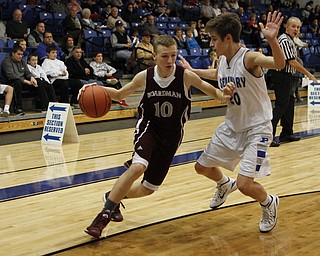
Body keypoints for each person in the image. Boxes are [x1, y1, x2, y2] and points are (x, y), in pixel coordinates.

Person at [82, 34, 235, 238]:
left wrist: (224, 93)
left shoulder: (185, 76)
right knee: (138, 166)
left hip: (171, 136)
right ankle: (103, 217)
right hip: (149, 128)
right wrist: (93, 88)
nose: (170, 61)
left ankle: (113, 197)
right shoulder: (145, 76)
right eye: (165, 56)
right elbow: (119, 95)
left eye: (173, 55)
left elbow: (213, 93)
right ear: (154, 56)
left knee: (148, 189)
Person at [179, 11, 285, 233]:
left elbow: (278, 63)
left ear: (228, 38)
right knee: (202, 167)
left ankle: (269, 202)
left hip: (257, 127)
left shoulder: (249, 58)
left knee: (246, 185)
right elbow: (217, 74)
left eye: (214, 38)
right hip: (232, 125)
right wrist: (191, 71)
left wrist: (273, 40)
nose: (211, 43)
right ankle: (224, 183)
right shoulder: (224, 60)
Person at [270, 16, 317, 147]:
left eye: (298, 27)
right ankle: (268, 136)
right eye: (293, 26)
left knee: (289, 104)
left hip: (289, 75)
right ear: (287, 27)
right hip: (281, 75)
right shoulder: (284, 40)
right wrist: (308, 74)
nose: (296, 29)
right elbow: (291, 61)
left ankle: (287, 132)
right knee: (281, 105)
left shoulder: (291, 40)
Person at [1, 45, 45, 115]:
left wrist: (31, 78)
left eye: (21, 54)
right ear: (13, 53)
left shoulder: (22, 61)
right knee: (17, 82)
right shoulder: (6, 62)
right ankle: (18, 108)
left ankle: (44, 106)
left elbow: (27, 72)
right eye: (18, 54)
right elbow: (11, 76)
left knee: (38, 81)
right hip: (10, 82)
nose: (20, 56)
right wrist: (25, 81)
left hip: (23, 81)